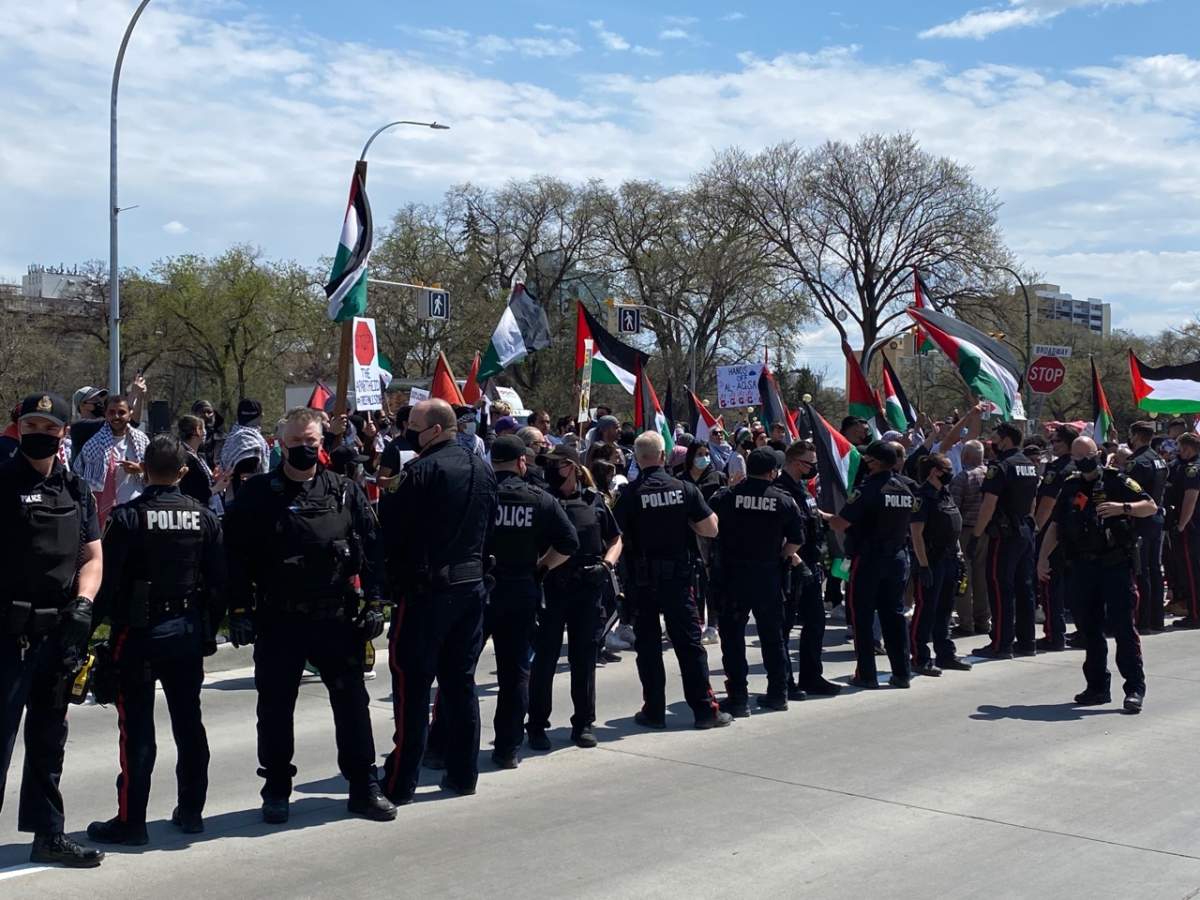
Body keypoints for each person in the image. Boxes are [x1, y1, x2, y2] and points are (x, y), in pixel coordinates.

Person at [223, 407, 394, 824]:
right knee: (276, 709)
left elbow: (372, 551)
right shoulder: (258, 494)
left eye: (311, 443)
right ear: (281, 445)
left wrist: (375, 603)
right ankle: (276, 789)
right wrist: (240, 610)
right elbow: (233, 557)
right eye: (295, 443)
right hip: (280, 619)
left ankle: (363, 785)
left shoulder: (344, 490)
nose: (303, 449)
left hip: (336, 616)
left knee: (352, 704)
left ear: (323, 445)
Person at [85, 436, 225, 845]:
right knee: (189, 724)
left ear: (143, 469)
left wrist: (92, 635)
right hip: (184, 632)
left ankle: (132, 820)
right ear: (183, 473)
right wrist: (206, 630)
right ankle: (192, 811)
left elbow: (107, 586)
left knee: (137, 730)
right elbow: (220, 584)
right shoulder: (204, 517)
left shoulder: (128, 518)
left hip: (139, 634)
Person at [0, 393, 105, 867]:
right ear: (18, 428)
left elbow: (93, 556)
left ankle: (48, 834)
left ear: (64, 432)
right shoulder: (1, 481)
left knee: (48, 741)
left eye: (48, 425)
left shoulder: (77, 489)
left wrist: (84, 603)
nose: (38, 432)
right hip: (5, 635)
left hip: (57, 633)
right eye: (30, 423)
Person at [380, 398, 497, 803]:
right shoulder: (483, 468)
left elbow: (391, 534)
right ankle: (463, 775)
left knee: (412, 687)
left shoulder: (419, 472)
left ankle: (400, 783)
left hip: (427, 593)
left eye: (413, 424)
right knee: (459, 685)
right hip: (472, 589)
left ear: (433, 429)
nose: (406, 431)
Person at [613, 431, 732, 729]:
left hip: (641, 582)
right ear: (663, 456)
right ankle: (705, 711)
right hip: (677, 580)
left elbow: (616, 536)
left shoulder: (629, 494)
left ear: (638, 460)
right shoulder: (684, 489)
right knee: (690, 645)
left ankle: (653, 710)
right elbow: (711, 530)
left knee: (649, 647)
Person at [1037, 437, 1153, 712]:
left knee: (1124, 628)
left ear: (1097, 454)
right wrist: (1042, 559)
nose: (1081, 462)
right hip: (1082, 566)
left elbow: (1150, 506)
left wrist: (1122, 508)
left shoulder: (1117, 481)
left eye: (1085, 456)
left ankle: (1134, 688)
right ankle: (1097, 687)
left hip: (1115, 565)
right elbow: (1056, 525)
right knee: (1089, 630)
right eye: (1076, 457)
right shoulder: (1071, 486)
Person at [483, 436, 578, 768]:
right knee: (515, 673)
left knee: (459, 671)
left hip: (478, 591)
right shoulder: (540, 499)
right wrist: (541, 568)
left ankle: (442, 747)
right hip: (521, 589)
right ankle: (507, 749)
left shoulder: (478, 494)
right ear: (522, 463)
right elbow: (569, 542)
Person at [527, 444, 622, 751]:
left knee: (583, 660)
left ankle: (583, 723)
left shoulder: (594, 502)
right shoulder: (544, 501)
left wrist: (606, 564)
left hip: (587, 587)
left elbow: (616, 538)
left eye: (556, 465)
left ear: (570, 466)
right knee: (544, 660)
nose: (550, 470)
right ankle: (537, 725)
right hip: (551, 587)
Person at [709, 447, 805, 716]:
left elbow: (707, 526)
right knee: (772, 637)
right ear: (773, 471)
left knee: (733, 638)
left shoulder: (727, 496)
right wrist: (780, 557)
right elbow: (797, 539)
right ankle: (778, 694)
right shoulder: (783, 500)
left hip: (733, 576)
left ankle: (738, 698)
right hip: (768, 576)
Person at [829, 441, 914, 689]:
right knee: (894, 615)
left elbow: (841, 523)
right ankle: (902, 672)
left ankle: (866, 674)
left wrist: (826, 518)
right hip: (897, 558)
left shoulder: (868, 489)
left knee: (862, 616)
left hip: (869, 559)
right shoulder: (906, 488)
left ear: (874, 462)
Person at [969, 422, 1039, 659]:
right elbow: (1032, 501)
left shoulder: (1000, 467)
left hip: (1004, 534)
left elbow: (989, 504)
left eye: (995, 437)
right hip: (1025, 530)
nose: (991, 441)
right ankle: (1027, 641)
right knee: (1025, 587)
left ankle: (1001, 642)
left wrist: (977, 535)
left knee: (1000, 587)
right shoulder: (1029, 465)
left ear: (1006, 440)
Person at [775, 441, 840, 696]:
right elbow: (779, 531)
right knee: (785, 625)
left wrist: (828, 518)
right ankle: (785, 681)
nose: (813, 468)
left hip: (811, 565)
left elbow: (808, 513)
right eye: (809, 463)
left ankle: (812, 677)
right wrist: (792, 560)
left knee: (815, 623)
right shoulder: (780, 489)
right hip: (792, 566)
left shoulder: (801, 488)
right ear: (793, 462)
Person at [909, 453, 972, 676]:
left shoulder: (944, 494)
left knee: (945, 610)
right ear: (934, 471)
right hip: (931, 561)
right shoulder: (922, 496)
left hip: (950, 560)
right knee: (926, 610)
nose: (950, 471)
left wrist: (960, 556)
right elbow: (916, 534)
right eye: (946, 468)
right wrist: (923, 566)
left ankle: (945, 654)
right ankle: (919, 657)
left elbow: (953, 527)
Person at [1031, 425, 1079, 650]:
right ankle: (1082, 631)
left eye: (1057, 441)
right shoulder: (1080, 466)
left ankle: (1054, 635)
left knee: (1050, 584)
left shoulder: (1057, 469)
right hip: (1076, 533)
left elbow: (1048, 504)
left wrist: (1037, 530)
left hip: (1054, 532)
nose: (1053, 444)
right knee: (1076, 586)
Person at [78, 394, 148, 526]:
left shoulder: (142, 440)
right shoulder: (93, 444)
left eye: (121, 412)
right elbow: (82, 480)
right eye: (111, 412)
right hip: (109, 514)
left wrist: (140, 468)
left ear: (130, 414)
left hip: (138, 510)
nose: (116, 417)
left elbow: (156, 472)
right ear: (105, 414)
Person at [1124, 422, 1168, 633]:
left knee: (1141, 570)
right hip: (1156, 516)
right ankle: (1156, 619)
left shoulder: (1137, 462)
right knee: (1154, 569)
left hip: (1141, 519)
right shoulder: (1159, 459)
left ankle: (1143, 620)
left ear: (1136, 436)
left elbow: (1131, 493)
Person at [681, 440, 726, 644]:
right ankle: (697, 622)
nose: (703, 457)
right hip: (689, 538)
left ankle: (713, 625)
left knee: (712, 582)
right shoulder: (681, 481)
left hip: (713, 538)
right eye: (699, 453)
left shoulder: (718, 478)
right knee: (694, 581)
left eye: (706, 453)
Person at [950, 440, 989, 637]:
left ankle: (966, 623)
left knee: (963, 577)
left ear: (965, 457)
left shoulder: (963, 477)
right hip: (988, 532)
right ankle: (983, 620)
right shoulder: (991, 475)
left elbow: (953, 510)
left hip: (965, 532)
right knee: (983, 578)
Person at [1165, 433, 1200, 628]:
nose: (1178, 451)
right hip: (1191, 525)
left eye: (1180, 447)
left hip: (1190, 526)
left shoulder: (1193, 469)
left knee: (1191, 571)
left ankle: (1195, 614)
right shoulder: (1182, 465)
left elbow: (1190, 499)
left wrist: (1181, 525)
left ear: (1188, 448)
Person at [218, 399, 270, 494]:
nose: (263, 415)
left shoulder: (235, 435)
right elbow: (247, 474)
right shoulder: (246, 438)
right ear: (258, 415)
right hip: (247, 498)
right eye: (261, 413)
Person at [190, 400, 226, 470]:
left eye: (209, 412)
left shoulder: (223, 438)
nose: (206, 415)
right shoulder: (186, 439)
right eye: (202, 412)